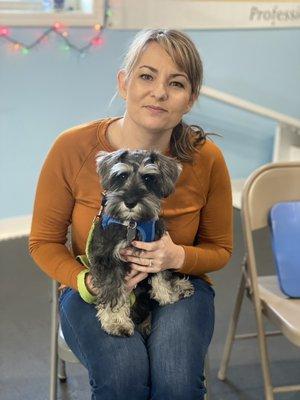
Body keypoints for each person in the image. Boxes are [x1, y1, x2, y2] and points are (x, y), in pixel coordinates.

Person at [29, 28, 233, 400]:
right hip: (95, 283)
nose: (159, 92)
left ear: (190, 99)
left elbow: (220, 249)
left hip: (175, 282)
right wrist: (85, 282)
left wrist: (177, 256)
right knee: (122, 379)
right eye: (146, 76)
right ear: (124, 83)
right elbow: (42, 242)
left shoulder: (207, 159)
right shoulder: (73, 147)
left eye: (176, 83)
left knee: (176, 383)